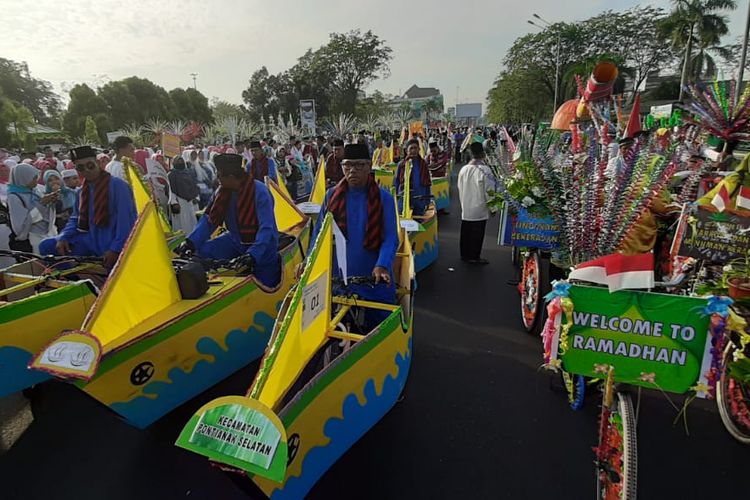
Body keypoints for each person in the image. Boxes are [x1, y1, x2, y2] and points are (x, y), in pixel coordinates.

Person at [313, 143, 399, 330]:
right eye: (348, 165)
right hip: (338, 279)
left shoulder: (384, 198)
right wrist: (309, 264)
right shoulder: (331, 196)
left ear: (369, 166)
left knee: (379, 328)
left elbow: (391, 237)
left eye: (359, 165)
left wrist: (382, 265)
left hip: (373, 277)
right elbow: (319, 235)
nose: (353, 170)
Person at [178, 154, 281, 288]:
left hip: (263, 244)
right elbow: (209, 220)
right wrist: (190, 242)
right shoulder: (221, 192)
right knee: (200, 252)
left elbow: (266, 229)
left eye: (219, 175)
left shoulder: (260, 192)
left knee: (265, 282)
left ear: (231, 177)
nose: (217, 178)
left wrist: (253, 254)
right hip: (235, 240)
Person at [39, 146, 138, 268]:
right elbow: (76, 218)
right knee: (47, 246)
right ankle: (76, 280)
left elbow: (126, 222)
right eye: (80, 168)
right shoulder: (82, 191)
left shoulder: (118, 186)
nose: (86, 170)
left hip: (110, 240)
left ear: (97, 163)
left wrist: (116, 249)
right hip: (89, 239)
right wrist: (64, 236)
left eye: (90, 165)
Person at [457, 142, 496, 265]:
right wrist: (493, 207)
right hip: (480, 207)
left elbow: (459, 187)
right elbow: (490, 191)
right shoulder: (485, 170)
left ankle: (465, 254)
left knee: (466, 232)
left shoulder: (463, 169)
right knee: (477, 234)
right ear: (483, 154)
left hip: (466, 205)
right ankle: (474, 256)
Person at [7, 163, 58, 253]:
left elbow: (43, 210)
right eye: (33, 179)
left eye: (36, 178)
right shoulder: (14, 197)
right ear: (23, 179)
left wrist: (50, 201)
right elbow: (21, 226)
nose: (36, 181)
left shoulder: (34, 190)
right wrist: (42, 204)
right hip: (34, 237)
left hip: (48, 232)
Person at [394, 139, 432, 216]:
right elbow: (396, 182)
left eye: (415, 148)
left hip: (419, 198)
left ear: (419, 149)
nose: (414, 150)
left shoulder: (423, 164)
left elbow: (427, 183)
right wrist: (395, 198)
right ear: (406, 151)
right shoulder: (401, 165)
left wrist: (427, 200)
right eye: (411, 148)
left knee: (419, 222)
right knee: (403, 222)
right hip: (403, 198)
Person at [168, 156, 199, 234]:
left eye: (181, 160)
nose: (180, 162)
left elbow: (194, 185)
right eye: (178, 161)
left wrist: (196, 197)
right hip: (179, 201)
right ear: (174, 163)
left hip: (191, 201)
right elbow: (170, 190)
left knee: (192, 222)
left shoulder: (189, 172)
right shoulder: (171, 175)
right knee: (181, 223)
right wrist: (174, 203)